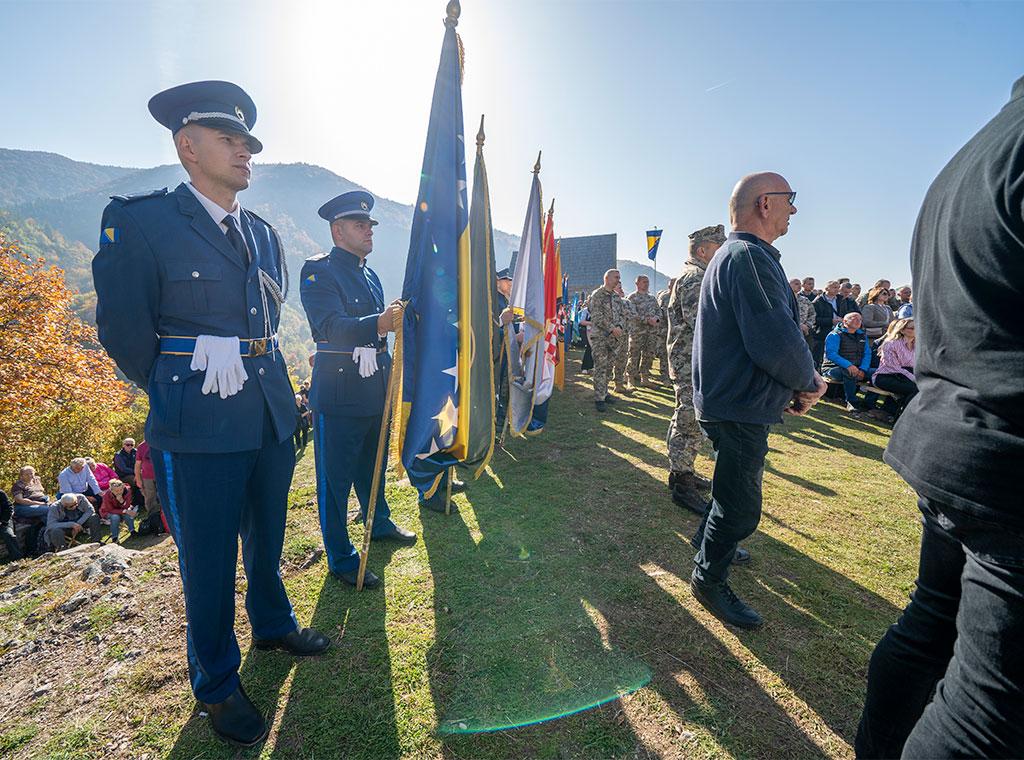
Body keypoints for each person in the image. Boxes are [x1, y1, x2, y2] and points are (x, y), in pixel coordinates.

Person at [92, 80, 328, 747]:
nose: (246, 152)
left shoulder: (260, 229)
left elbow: (268, 317)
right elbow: (124, 331)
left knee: (268, 534)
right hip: (195, 420)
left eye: (248, 142)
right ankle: (218, 682)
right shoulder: (141, 221)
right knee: (206, 557)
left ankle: (273, 623)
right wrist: (178, 381)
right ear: (187, 146)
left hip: (266, 410)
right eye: (230, 140)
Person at [856, 75, 1024, 759]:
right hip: (1005, 458)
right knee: (990, 717)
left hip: (961, 439)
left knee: (930, 628)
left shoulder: (976, 152)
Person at [690, 172, 825, 630]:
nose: (795, 209)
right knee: (740, 505)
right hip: (737, 405)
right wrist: (807, 381)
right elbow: (774, 336)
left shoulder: (737, 255)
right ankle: (708, 578)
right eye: (790, 199)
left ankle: (707, 540)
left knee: (729, 486)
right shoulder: (748, 256)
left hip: (729, 399)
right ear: (765, 204)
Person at [299, 190, 418, 587]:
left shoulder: (370, 274)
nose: (369, 230)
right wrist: (380, 323)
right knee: (334, 480)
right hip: (339, 391)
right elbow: (329, 326)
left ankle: (378, 520)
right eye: (359, 224)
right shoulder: (318, 271)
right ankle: (340, 555)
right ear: (337, 230)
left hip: (374, 387)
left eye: (370, 225)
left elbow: (379, 332)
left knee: (373, 464)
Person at [666, 224, 726, 513]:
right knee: (688, 421)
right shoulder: (694, 279)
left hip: (696, 362)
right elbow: (701, 323)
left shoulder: (701, 276)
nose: (722, 251)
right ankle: (681, 484)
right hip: (690, 362)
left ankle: (682, 471)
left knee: (687, 420)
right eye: (717, 246)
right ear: (703, 250)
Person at [821, 312, 879, 413]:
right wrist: (848, 365)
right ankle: (852, 402)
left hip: (857, 367)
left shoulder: (862, 336)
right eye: (854, 318)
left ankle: (869, 404)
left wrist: (863, 369)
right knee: (849, 371)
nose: (858, 321)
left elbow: (867, 354)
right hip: (833, 368)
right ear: (844, 321)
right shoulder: (835, 334)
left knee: (879, 373)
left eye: (860, 319)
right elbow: (831, 354)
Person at [588, 269, 629, 411]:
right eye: (616, 277)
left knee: (609, 367)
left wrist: (620, 327)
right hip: (600, 337)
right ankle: (599, 398)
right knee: (600, 367)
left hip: (614, 339)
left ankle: (605, 393)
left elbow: (623, 316)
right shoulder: (597, 295)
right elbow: (597, 316)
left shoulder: (617, 298)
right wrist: (612, 328)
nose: (618, 280)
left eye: (619, 277)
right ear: (607, 278)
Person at [871, 318, 917, 417]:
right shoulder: (891, 344)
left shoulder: (917, 346)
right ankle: (902, 420)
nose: (916, 330)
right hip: (886, 376)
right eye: (912, 328)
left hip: (905, 376)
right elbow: (894, 367)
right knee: (915, 389)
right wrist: (914, 378)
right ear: (902, 330)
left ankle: (895, 416)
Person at [626, 275, 662, 388]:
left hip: (651, 333)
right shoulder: (632, 298)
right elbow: (632, 314)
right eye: (644, 282)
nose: (646, 284)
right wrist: (647, 320)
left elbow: (659, 312)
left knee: (648, 355)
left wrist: (656, 319)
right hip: (637, 332)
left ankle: (645, 378)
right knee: (634, 355)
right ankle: (630, 378)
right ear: (637, 284)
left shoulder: (652, 298)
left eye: (647, 282)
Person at [811, 280, 857, 369]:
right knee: (819, 355)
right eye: (834, 287)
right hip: (823, 332)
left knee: (838, 353)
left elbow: (846, 312)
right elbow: (815, 319)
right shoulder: (818, 301)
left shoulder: (841, 299)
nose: (837, 289)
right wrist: (831, 321)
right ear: (827, 288)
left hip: (840, 331)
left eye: (838, 287)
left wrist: (843, 319)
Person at [133, 440, 164, 534]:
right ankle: (154, 522)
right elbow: (137, 465)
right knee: (150, 498)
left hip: (162, 475)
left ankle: (166, 520)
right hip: (147, 477)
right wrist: (138, 479)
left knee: (163, 497)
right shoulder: (141, 446)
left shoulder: (161, 441)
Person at [100, 480, 137, 544]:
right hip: (108, 511)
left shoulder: (127, 491)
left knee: (129, 513)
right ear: (111, 490)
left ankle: (132, 530)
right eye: (116, 491)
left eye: (121, 490)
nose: (119, 492)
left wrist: (122, 501)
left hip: (121, 508)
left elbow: (127, 505)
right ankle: (115, 537)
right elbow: (110, 509)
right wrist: (124, 511)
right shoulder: (107, 495)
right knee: (115, 517)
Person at [614, 282, 635, 394]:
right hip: (611, 335)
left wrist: (625, 313)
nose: (620, 289)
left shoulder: (626, 302)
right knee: (609, 360)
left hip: (624, 334)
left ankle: (619, 384)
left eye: (621, 287)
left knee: (622, 359)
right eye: (618, 287)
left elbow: (634, 314)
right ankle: (604, 387)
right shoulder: (608, 301)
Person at [113, 438, 143, 508]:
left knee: (146, 479)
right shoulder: (118, 455)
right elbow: (123, 469)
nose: (130, 446)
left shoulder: (136, 452)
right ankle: (137, 502)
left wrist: (139, 472)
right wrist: (137, 472)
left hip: (135, 473)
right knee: (135, 481)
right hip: (123, 476)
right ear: (123, 445)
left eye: (131, 445)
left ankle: (144, 501)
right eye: (127, 444)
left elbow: (141, 462)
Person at [789, 277, 815, 345]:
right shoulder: (785, 299)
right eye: (796, 284)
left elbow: (812, 313)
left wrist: (807, 325)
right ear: (789, 285)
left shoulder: (804, 300)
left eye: (800, 284)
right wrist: (799, 324)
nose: (799, 286)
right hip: (791, 330)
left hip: (805, 331)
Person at [0, 490, 21, 561]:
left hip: (4, 522)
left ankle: (17, 558)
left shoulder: (1, 493)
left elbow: (9, 508)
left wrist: (3, 521)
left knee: (9, 535)